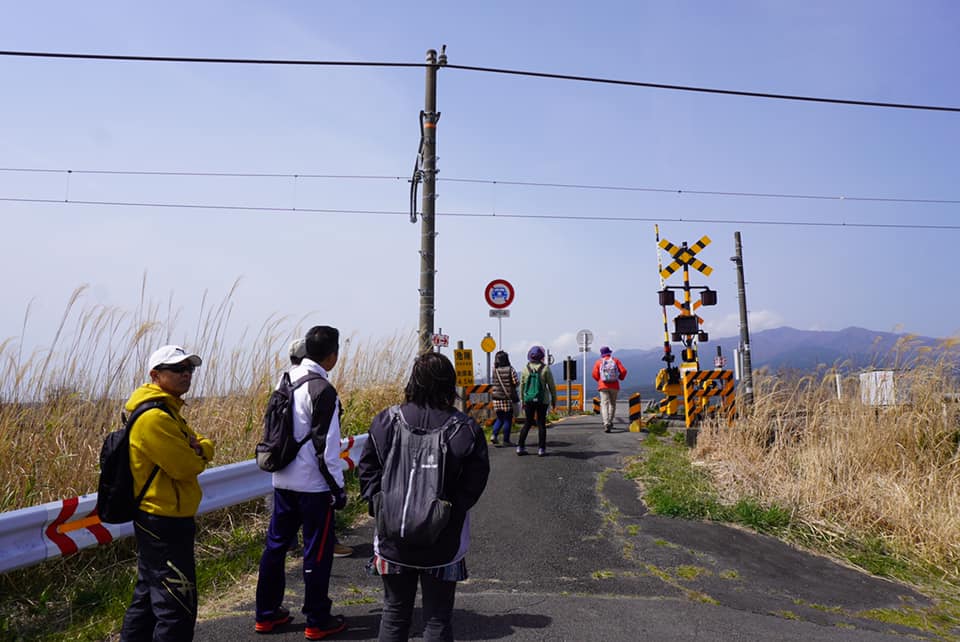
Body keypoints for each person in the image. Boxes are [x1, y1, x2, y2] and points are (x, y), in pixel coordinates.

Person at [358, 352, 490, 641]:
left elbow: (367, 470)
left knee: (394, 613)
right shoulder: (464, 428)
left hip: (393, 536)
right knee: (437, 618)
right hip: (444, 540)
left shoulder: (386, 421)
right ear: (449, 384)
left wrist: (381, 507)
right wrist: (451, 512)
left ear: (412, 382)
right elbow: (475, 481)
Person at [254, 326, 348, 640]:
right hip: (313, 486)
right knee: (316, 551)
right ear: (332, 355)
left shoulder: (284, 380)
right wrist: (338, 488)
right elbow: (328, 448)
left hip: (282, 479)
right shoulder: (323, 389)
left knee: (276, 546)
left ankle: (266, 614)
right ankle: (317, 619)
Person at [120, 344, 215, 641]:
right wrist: (200, 452)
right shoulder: (155, 417)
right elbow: (186, 466)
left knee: (148, 599)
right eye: (177, 369)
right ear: (155, 375)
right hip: (163, 520)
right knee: (177, 606)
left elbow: (201, 442)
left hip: (161, 518)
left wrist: (201, 447)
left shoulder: (167, 410)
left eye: (189, 368)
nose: (186, 374)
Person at [288, 339, 353, 559]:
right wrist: (338, 487)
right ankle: (328, 546)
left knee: (279, 538)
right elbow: (325, 443)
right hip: (310, 471)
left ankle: (290, 547)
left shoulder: (285, 382)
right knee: (318, 545)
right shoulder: (318, 386)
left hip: (282, 468)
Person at [516, 345, 557, 457]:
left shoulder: (525, 369)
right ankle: (541, 449)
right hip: (542, 400)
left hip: (528, 400)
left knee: (528, 423)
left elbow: (522, 387)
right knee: (541, 424)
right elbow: (552, 386)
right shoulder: (545, 368)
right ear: (541, 356)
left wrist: (523, 400)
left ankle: (520, 447)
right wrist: (554, 400)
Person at [592, 345, 628, 433]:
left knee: (604, 404)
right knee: (612, 404)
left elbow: (594, 374)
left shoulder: (598, 362)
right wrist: (620, 378)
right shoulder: (616, 361)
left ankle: (606, 423)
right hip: (614, 386)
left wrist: (600, 380)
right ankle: (610, 422)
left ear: (601, 354)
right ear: (609, 353)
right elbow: (623, 371)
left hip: (603, 386)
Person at [489, 350, 519, 447]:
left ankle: (494, 435)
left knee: (500, 418)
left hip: (496, 398)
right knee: (507, 419)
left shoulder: (494, 370)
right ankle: (506, 440)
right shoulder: (510, 369)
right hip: (507, 398)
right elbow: (516, 382)